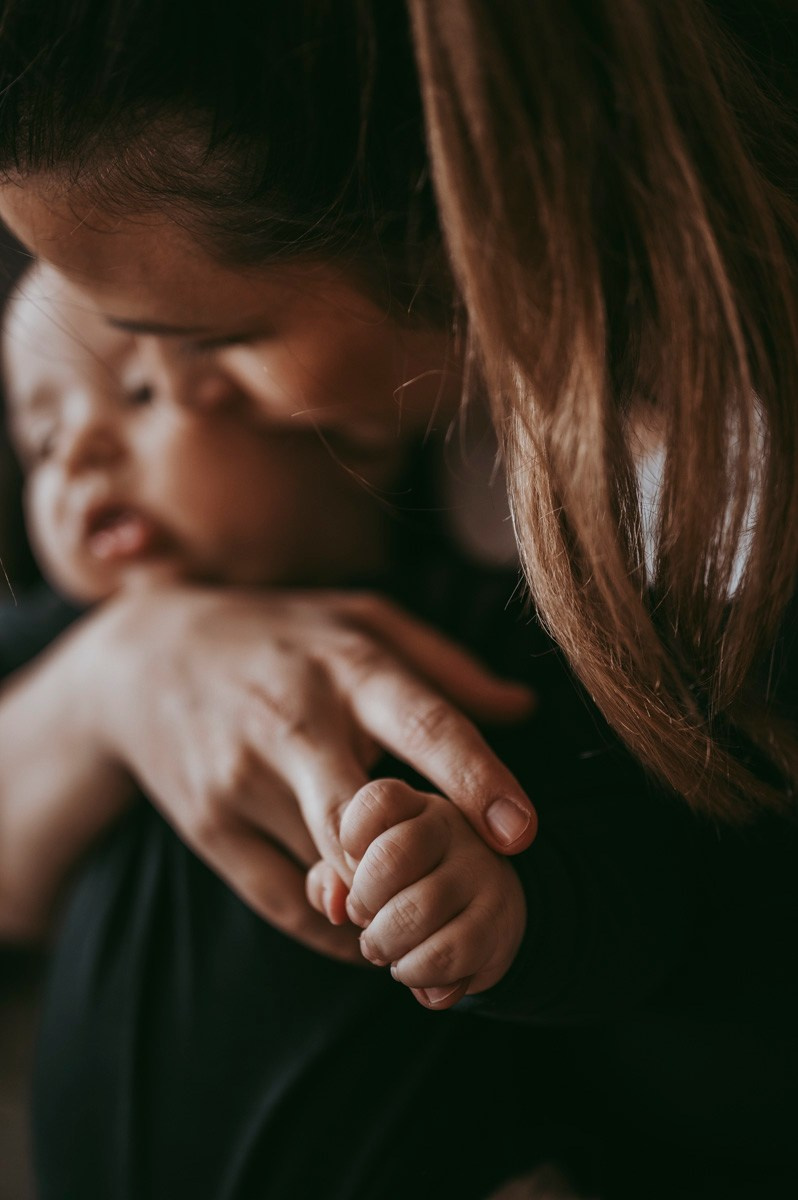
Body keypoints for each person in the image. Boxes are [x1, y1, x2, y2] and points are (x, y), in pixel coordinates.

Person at [0, 1, 796, 1197]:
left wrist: (497, 911)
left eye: (194, 349)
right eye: (43, 435)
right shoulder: (168, 566)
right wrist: (131, 672)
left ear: (446, 222)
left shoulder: (477, 584)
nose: (86, 458)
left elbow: (654, 909)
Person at [2, 261, 527, 1007]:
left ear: (344, 420)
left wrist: (487, 898)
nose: (80, 455)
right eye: (44, 442)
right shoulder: (59, 634)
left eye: (140, 392)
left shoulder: (456, 631)